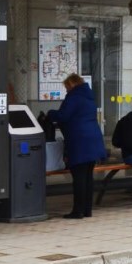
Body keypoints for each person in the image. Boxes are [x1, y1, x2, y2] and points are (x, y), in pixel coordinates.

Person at [47, 73, 107, 219]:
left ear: (72, 84)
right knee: (87, 177)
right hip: (93, 140)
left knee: (79, 178)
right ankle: (87, 210)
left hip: (79, 141)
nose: (66, 90)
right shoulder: (89, 97)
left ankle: (78, 211)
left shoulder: (73, 97)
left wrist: (50, 113)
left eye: (67, 87)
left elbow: (63, 116)